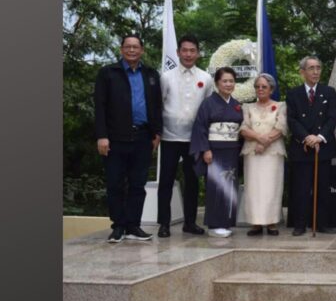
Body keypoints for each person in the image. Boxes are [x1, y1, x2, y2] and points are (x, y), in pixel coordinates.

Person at [94, 34, 162, 243]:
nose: (132, 50)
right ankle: (118, 226)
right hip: (115, 138)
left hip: (143, 137)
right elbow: (100, 107)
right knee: (115, 184)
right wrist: (102, 136)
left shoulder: (151, 74)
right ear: (121, 49)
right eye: (128, 47)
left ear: (142, 50)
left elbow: (157, 106)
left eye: (136, 47)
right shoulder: (108, 73)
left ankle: (134, 225)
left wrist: (157, 133)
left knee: (137, 184)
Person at [156, 34, 214, 238]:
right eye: (184, 50)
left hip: (194, 139)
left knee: (192, 181)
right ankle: (164, 223)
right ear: (178, 52)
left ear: (198, 53)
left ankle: (190, 222)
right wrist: (157, 133)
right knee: (166, 181)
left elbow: (208, 109)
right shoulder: (166, 76)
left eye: (192, 50)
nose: (188, 54)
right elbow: (158, 105)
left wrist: (206, 138)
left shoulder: (206, 78)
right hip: (170, 137)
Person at [286, 56, 336, 236]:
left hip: (322, 147)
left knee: (322, 188)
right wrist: (306, 137)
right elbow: (291, 120)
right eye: (311, 68)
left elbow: (332, 117)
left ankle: (322, 223)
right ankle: (300, 224)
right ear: (302, 72)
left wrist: (319, 137)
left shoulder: (329, 92)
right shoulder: (293, 93)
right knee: (301, 188)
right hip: (302, 147)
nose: (316, 71)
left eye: (318, 68)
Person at [189, 67, 243, 238]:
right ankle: (214, 225)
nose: (228, 84)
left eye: (231, 81)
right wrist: (205, 149)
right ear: (217, 83)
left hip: (232, 151)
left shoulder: (236, 105)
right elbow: (200, 127)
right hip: (215, 151)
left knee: (230, 187)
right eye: (225, 81)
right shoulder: (208, 103)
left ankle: (226, 222)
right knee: (215, 187)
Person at [240, 74, 287, 236]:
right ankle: (256, 224)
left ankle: (272, 222)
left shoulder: (281, 106)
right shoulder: (247, 107)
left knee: (272, 187)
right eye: (257, 86)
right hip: (252, 153)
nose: (260, 89)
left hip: (273, 153)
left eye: (264, 87)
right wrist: (258, 139)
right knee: (254, 188)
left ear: (271, 89)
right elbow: (244, 128)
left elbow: (281, 127)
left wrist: (264, 142)